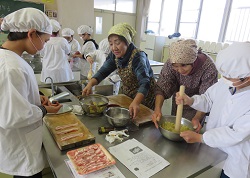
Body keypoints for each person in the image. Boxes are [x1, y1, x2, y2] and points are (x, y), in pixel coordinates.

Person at [0, 8, 62, 178]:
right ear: (32, 34)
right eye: (45, 40)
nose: (44, 45)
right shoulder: (11, 67)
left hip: (23, 144)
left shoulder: (12, 59)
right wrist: (44, 110)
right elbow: (13, 116)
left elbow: (11, 99)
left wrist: (34, 96)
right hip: (21, 149)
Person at [176, 42, 250, 178]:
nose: (226, 80)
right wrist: (190, 100)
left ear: (247, 77)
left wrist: (200, 137)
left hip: (235, 161)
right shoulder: (228, 81)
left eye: (229, 78)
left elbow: (235, 133)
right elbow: (209, 99)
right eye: (225, 77)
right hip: (212, 150)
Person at [82, 23, 156, 118]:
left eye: (117, 43)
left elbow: (145, 82)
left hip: (144, 97)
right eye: (111, 43)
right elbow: (103, 71)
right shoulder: (115, 55)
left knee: (142, 121)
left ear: (127, 42)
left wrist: (136, 102)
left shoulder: (138, 56)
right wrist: (90, 84)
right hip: (128, 94)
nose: (113, 48)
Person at [152, 39, 218, 129]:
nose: (180, 70)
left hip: (198, 108)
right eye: (176, 67)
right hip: (179, 102)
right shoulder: (171, 63)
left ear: (193, 61)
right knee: (176, 124)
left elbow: (207, 99)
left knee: (190, 129)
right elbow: (162, 86)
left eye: (184, 66)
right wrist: (157, 109)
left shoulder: (208, 68)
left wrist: (197, 118)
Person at [40, 19, 74, 83]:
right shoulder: (63, 40)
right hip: (62, 71)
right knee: (62, 88)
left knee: (51, 89)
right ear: (58, 31)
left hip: (48, 71)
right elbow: (68, 52)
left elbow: (41, 54)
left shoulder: (44, 41)